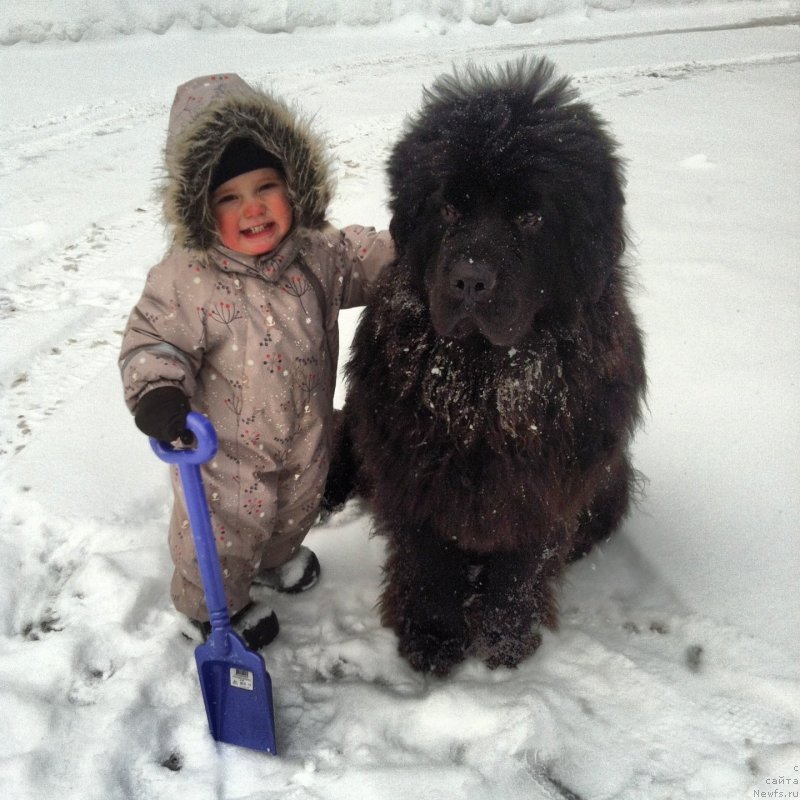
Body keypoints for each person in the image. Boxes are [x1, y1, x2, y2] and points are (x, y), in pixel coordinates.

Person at [119, 74, 394, 648]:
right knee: (221, 536)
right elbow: (153, 340)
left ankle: (275, 561)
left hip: (304, 434)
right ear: (200, 207)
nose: (253, 209)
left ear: (294, 186)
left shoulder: (318, 252)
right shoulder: (186, 278)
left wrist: (419, 244)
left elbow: (365, 259)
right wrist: (159, 393)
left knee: (296, 506)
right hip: (223, 457)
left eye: (266, 186)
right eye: (228, 197)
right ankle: (208, 605)